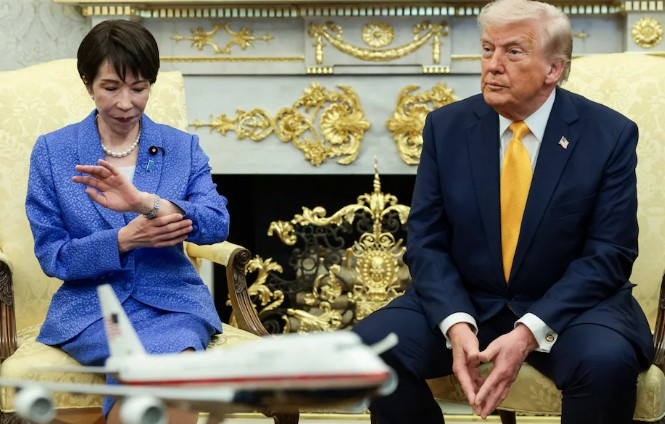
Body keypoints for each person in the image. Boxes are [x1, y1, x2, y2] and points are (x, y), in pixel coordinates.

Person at [352, 0, 654, 423]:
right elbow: (426, 242)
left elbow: (610, 253)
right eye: (487, 49)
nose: (493, 65)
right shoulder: (446, 127)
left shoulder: (608, 134)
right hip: (469, 299)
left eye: (513, 52)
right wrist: (455, 321)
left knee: (605, 363)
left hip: (571, 308)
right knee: (366, 351)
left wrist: (529, 329)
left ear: (553, 69)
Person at [25, 20, 228, 423]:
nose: (125, 103)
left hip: (174, 304)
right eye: (111, 87)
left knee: (175, 371)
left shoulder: (181, 147)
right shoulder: (53, 151)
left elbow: (217, 223)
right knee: (142, 373)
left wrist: (146, 203)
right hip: (93, 307)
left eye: (139, 88)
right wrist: (122, 239)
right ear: (88, 83)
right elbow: (54, 256)